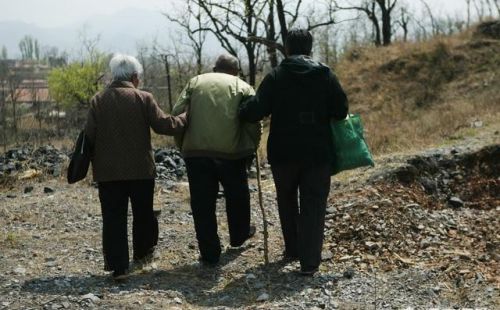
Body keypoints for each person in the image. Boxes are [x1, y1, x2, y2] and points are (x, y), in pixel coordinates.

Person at [239, 29, 349, 275]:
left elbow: (256, 110)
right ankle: (309, 262)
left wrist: (241, 109)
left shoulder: (276, 76)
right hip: (318, 153)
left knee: (286, 199)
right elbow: (341, 110)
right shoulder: (325, 74)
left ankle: (292, 249)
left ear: (286, 48)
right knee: (314, 203)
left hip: (283, 153)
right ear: (310, 48)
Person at [85, 54, 187, 280]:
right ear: (134, 77)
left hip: (108, 172)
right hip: (141, 170)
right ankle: (142, 254)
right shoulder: (143, 98)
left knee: (113, 217)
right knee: (143, 212)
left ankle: (118, 268)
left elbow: (89, 136)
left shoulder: (98, 100)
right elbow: (164, 125)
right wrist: (186, 117)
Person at [171, 54, 260, 266]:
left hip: (197, 153)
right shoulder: (243, 86)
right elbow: (253, 120)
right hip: (231, 153)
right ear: (236, 71)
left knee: (202, 202)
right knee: (237, 194)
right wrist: (250, 147)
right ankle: (238, 236)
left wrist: (183, 144)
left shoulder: (196, 81)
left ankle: (210, 253)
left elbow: (177, 113)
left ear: (213, 68)